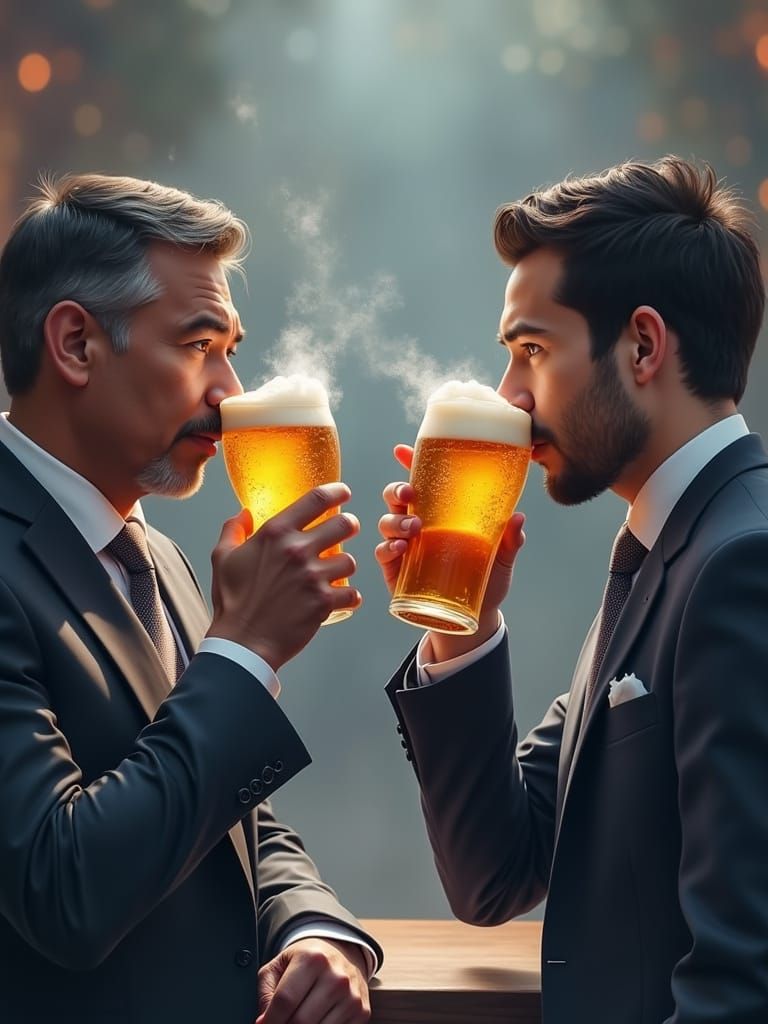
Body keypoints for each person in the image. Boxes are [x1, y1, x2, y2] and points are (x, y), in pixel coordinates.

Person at [377, 156, 768, 1023]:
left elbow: (744, 979)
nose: (511, 397)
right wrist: (462, 628)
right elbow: (496, 873)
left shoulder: (742, 564)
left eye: (532, 350)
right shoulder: (666, 553)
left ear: (641, 345)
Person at [0, 173, 381, 1024]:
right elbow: (63, 889)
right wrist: (243, 652)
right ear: (75, 344)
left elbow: (228, 822)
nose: (230, 393)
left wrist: (312, 926)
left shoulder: (159, 557)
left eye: (231, 347)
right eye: (200, 344)